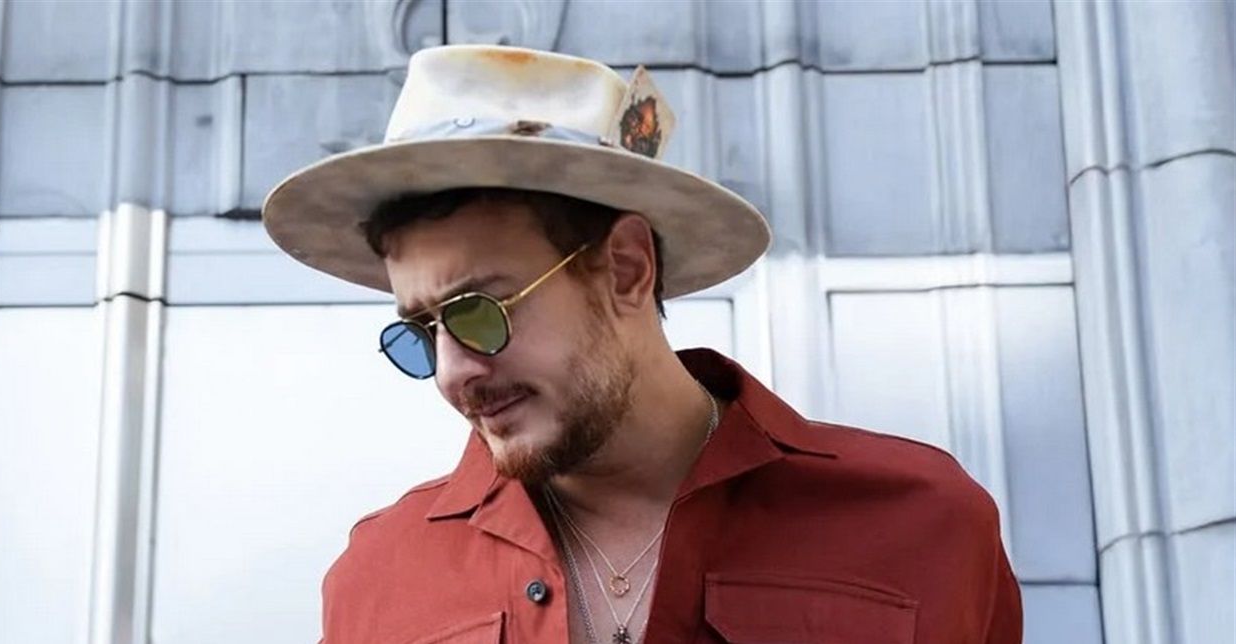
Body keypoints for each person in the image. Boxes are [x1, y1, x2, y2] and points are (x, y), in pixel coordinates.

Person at [263, 44, 1022, 644]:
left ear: (627, 268)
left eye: (479, 310)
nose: (454, 372)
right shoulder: (376, 579)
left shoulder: (925, 523)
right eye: (422, 331)